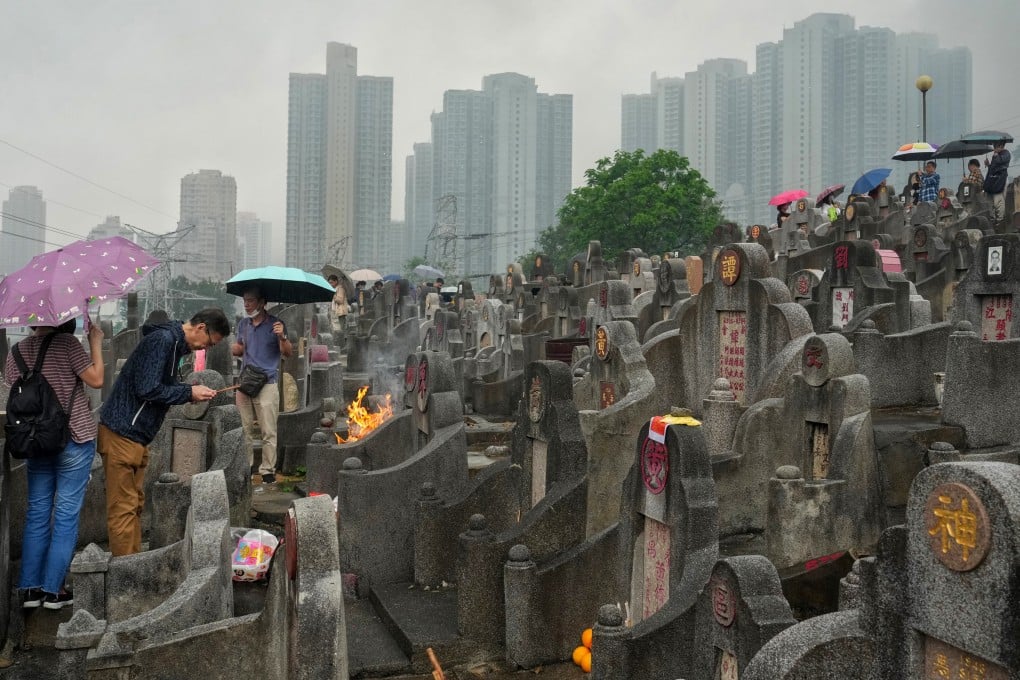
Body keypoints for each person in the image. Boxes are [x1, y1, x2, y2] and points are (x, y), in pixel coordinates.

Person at [98, 308, 227, 556]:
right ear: (201, 327)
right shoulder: (162, 341)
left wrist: (189, 390)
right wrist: (188, 393)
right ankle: (126, 576)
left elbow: (159, 385)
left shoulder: (174, 344)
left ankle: (132, 563)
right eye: (210, 343)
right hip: (122, 431)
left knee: (134, 505)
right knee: (123, 510)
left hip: (136, 435)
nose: (206, 349)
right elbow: (148, 388)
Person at [4, 319, 104, 609]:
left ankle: (30, 589)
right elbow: (96, 379)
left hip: (35, 442)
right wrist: (95, 341)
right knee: (65, 516)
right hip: (73, 436)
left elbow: (13, 392)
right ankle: (54, 591)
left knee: (37, 514)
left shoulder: (17, 351)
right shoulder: (68, 344)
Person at [231, 288, 292, 486]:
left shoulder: (276, 324)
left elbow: (287, 353)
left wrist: (282, 337)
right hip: (245, 381)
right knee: (244, 428)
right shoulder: (244, 324)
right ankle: (247, 466)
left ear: (262, 302)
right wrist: (236, 348)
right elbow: (238, 349)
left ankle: (267, 470)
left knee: (268, 430)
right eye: (244, 300)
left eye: (250, 301)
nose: (247, 304)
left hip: (267, 381)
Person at [984, 142, 1012, 223]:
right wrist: (988, 165)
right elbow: (993, 167)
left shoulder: (1006, 154)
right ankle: (992, 218)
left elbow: (1000, 162)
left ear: (1001, 146)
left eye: (996, 147)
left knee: (998, 201)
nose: (994, 149)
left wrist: (996, 156)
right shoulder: (996, 155)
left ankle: (1000, 219)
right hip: (992, 180)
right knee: (990, 202)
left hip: (1000, 180)